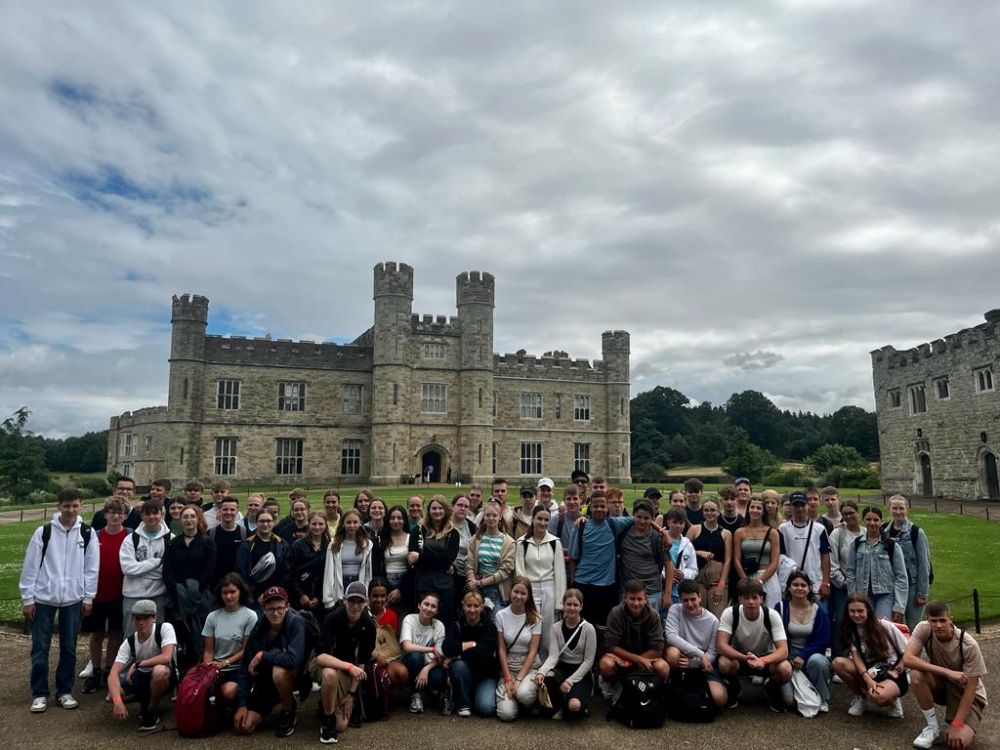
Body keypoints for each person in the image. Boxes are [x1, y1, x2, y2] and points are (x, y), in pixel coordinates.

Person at [20, 487, 100, 713]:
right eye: (66, 506)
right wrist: (28, 598)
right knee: (40, 647)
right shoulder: (43, 532)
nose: (71, 510)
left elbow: (91, 568)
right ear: (59, 506)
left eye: (75, 505)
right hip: (44, 597)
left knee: (69, 647)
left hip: (73, 599)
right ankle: (39, 693)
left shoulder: (87, 532)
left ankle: (65, 691)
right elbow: (30, 567)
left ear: (81, 505)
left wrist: (89, 597)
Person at [904, 600, 989, 749]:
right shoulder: (923, 629)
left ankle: (956, 721)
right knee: (916, 674)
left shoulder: (968, 644)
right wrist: (947, 672)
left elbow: (970, 690)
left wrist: (957, 725)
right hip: (942, 683)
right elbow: (907, 659)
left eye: (942, 620)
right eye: (933, 621)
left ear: (951, 619)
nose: (938, 625)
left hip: (965, 692)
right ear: (927, 620)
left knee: (958, 743)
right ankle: (933, 728)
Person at [234, 586, 307, 738]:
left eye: (280, 608)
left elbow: (294, 659)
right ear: (263, 609)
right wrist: (242, 704)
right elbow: (245, 665)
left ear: (287, 607)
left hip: (292, 677)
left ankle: (289, 710)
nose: (275, 613)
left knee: (279, 672)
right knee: (244, 727)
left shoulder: (296, 622)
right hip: (265, 681)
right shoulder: (259, 627)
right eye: (270, 608)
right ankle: (274, 701)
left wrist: (262, 655)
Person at [311, 581, 376, 744]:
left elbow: (362, 663)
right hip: (326, 664)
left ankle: (328, 706)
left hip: (350, 670)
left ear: (366, 602)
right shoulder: (332, 618)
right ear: (345, 599)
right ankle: (327, 721)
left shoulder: (368, 625)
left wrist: (351, 695)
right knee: (330, 673)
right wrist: (348, 666)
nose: (355, 606)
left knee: (342, 726)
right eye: (352, 601)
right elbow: (320, 657)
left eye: (359, 601)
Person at [716, 577, 792, 713]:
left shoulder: (772, 615)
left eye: (755, 597)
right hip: (740, 658)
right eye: (746, 597)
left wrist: (762, 660)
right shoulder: (730, 613)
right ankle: (735, 687)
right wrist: (745, 658)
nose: (751, 602)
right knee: (723, 663)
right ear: (739, 599)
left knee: (785, 668)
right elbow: (721, 645)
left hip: (766, 660)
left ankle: (770, 687)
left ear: (761, 599)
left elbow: (784, 650)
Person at [832, 592, 908, 720]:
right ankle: (861, 698)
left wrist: (897, 670)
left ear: (868, 610)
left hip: (892, 671)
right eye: (852, 611)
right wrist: (867, 679)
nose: (856, 615)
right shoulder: (851, 630)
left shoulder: (884, 625)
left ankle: (893, 701)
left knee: (879, 697)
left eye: (860, 611)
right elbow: (856, 657)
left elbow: (908, 651)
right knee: (837, 663)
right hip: (870, 670)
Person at [81, 497, 128, 695]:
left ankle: (110, 670)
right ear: (105, 514)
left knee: (116, 634)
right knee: (97, 634)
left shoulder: (130, 535)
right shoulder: (94, 536)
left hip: (120, 594)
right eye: (112, 512)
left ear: (125, 516)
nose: (116, 516)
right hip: (97, 594)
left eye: (120, 512)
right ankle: (96, 672)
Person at [107, 599, 177, 731]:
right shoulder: (129, 641)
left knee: (159, 671)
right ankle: (144, 699)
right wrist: (117, 701)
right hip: (142, 677)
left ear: (154, 617)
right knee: (112, 694)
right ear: (133, 620)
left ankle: (151, 710)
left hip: (165, 675)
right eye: (137, 618)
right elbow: (113, 674)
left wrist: (139, 664)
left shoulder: (165, 628)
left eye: (146, 618)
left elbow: (166, 656)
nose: (141, 622)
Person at [162, 504, 215, 670]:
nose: (189, 520)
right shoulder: (172, 544)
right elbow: (167, 570)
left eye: (192, 516)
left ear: (198, 519)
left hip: (200, 597)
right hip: (178, 599)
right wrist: (177, 591)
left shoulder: (207, 543)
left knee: (201, 634)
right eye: (185, 517)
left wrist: (195, 590)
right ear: (181, 520)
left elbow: (209, 569)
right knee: (181, 637)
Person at [569, 491, 633, 628]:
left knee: (604, 627)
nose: (599, 509)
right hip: (583, 584)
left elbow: (639, 518)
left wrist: (662, 531)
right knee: (582, 626)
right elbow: (573, 557)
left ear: (607, 507)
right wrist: (573, 583)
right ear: (590, 507)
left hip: (606, 586)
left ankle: (601, 650)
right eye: (595, 506)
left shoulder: (614, 524)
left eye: (602, 506)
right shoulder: (581, 527)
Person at [774, 571, 832, 714]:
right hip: (787, 659)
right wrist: (787, 657)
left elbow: (823, 640)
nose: (799, 588)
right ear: (789, 588)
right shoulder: (780, 608)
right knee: (790, 702)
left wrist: (804, 655)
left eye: (803, 585)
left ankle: (823, 698)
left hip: (810, 657)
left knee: (818, 661)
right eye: (795, 585)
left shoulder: (820, 611)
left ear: (809, 588)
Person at [664, 580, 728, 708]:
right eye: (685, 600)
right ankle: (671, 682)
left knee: (719, 698)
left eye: (693, 599)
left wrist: (694, 662)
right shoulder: (675, 609)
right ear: (680, 600)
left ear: (700, 596)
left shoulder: (713, 621)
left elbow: (712, 654)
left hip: (701, 664)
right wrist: (699, 654)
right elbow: (671, 636)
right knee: (672, 653)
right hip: (681, 658)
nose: (690, 604)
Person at [535, 588, 596, 720]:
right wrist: (541, 671)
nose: (572, 608)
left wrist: (570, 681)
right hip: (562, 668)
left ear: (581, 606)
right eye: (569, 604)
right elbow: (553, 656)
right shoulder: (556, 627)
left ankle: (574, 704)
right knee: (547, 679)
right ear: (563, 605)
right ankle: (560, 703)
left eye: (575, 605)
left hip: (580, 672)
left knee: (574, 707)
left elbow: (588, 661)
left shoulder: (588, 629)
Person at [514, 503, 567, 654]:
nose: (542, 523)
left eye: (546, 520)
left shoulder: (554, 542)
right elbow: (520, 572)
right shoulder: (522, 543)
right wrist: (523, 595)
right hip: (530, 589)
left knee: (549, 629)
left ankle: (548, 664)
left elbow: (560, 574)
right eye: (539, 519)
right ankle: (531, 661)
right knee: (531, 626)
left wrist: (559, 601)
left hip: (549, 588)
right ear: (533, 519)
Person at [600, 581, 670, 693]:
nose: (636, 603)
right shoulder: (616, 613)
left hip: (646, 656)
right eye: (632, 599)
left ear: (645, 598)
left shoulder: (653, 615)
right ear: (625, 598)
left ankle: (654, 693)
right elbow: (610, 645)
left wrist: (635, 661)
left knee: (663, 668)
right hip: (621, 655)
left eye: (639, 599)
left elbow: (658, 649)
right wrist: (637, 660)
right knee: (606, 665)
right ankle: (614, 686)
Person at [202, 573, 258, 711]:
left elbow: (246, 650)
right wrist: (208, 669)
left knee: (229, 691)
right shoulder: (212, 617)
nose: (228, 596)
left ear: (240, 592)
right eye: (225, 592)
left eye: (232, 592)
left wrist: (225, 663)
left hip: (238, 667)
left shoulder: (250, 616)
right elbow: (209, 650)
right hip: (216, 666)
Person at [844, 505, 908, 621]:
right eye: (868, 519)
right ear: (863, 521)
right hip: (863, 595)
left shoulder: (891, 545)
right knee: (864, 627)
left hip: (885, 595)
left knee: (882, 626)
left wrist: (899, 606)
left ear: (881, 521)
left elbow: (901, 576)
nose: (872, 523)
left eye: (876, 520)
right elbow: (850, 573)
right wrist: (853, 596)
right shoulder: (857, 544)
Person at [119, 499, 172, 635]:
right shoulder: (131, 539)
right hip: (133, 595)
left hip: (158, 596)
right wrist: (156, 562)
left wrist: (141, 569)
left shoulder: (170, 539)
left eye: (155, 513)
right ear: (142, 516)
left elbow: (168, 571)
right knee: (131, 637)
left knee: (157, 638)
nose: (152, 517)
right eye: (148, 514)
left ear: (162, 514)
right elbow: (128, 569)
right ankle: (131, 657)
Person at [443, 591, 499, 717]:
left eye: (476, 606)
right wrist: (472, 645)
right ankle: (464, 704)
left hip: (485, 674)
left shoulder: (489, 627)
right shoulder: (456, 625)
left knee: (485, 708)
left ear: (482, 607)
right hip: (464, 672)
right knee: (458, 666)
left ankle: (474, 694)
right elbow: (447, 648)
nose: (472, 610)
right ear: (463, 606)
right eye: (469, 606)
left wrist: (458, 655)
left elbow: (484, 653)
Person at [495, 576, 543, 721]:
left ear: (528, 597)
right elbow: (501, 650)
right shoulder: (501, 615)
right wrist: (509, 679)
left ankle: (527, 701)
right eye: (516, 591)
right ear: (510, 592)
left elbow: (533, 651)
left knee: (524, 694)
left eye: (523, 593)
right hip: (508, 666)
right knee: (506, 714)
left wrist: (519, 679)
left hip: (528, 667)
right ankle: (515, 702)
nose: (519, 596)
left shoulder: (536, 617)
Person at [883, 494, 933, 630]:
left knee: (913, 628)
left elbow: (924, 564)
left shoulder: (916, 532)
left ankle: (913, 652)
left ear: (907, 509)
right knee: (893, 627)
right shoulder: (883, 531)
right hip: (891, 584)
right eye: (894, 508)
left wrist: (922, 593)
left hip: (912, 586)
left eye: (901, 508)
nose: (898, 512)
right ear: (889, 508)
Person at [408, 495, 460, 618]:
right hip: (423, 584)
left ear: (446, 511)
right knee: (424, 619)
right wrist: (438, 559)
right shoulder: (418, 530)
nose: (437, 511)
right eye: (434, 508)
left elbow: (448, 559)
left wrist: (421, 557)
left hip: (445, 585)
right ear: (429, 511)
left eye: (440, 508)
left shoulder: (453, 533)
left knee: (444, 621)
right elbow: (412, 558)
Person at [400, 591, 448, 714]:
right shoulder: (409, 619)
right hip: (410, 662)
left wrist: (426, 669)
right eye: (426, 604)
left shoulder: (439, 626)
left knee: (439, 676)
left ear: (437, 610)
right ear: (419, 605)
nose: (429, 608)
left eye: (433, 606)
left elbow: (440, 656)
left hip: (430, 664)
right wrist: (431, 649)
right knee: (416, 657)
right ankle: (415, 694)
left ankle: (436, 694)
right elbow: (407, 646)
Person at [778, 491, 831, 601]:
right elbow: (780, 557)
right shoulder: (782, 529)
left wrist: (826, 582)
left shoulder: (819, 529)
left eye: (802, 505)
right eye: (796, 505)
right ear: (791, 507)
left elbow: (825, 556)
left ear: (807, 506)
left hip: (815, 583)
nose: (800, 509)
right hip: (791, 583)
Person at [466, 500, 516, 610]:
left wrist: (480, 583)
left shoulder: (509, 543)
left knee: (494, 620)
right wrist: (472, 583)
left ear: (500, 517)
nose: (491, 518)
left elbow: (504, 572)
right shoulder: (475, 539)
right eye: (488, 515)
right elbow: (469, 565)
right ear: (484, 517)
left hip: (497, 589)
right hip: (476, 587)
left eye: (494, 515)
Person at [687, 499, 732, 618]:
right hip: (698, 580)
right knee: (697, 616)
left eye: (712, 510)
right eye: (706, 510)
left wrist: (721, 585)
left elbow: (728, 560)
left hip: (717, 580)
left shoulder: (726, 533)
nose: (709, 513)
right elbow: (683, 552)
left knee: (718, 617)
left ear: (718, 512)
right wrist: (698, 552)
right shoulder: (694, 530)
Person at [617, 500, 666, 611]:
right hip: (627, 590)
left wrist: (667, 593)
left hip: (651, 591)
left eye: (646, 518)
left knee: (650, 625)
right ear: (633, 516)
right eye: (639, 517)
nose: (642, 521)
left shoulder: (657, 537)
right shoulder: (624, 532)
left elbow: (668, 563)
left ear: (653, 519)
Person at [323, 509, 373, 609]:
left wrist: (367, 592)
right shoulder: (334, 544)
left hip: (358, 583)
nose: (352, 525)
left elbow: (368, 572)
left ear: (360, 523)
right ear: (343, 524)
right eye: (348, 522)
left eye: (355, 522)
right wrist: (328, 599)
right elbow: (329, 572)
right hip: (341, 583)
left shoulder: (367, 544)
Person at [828, 500, 864, 641]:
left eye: (851, 513)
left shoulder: (866, 532)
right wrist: (846, 584)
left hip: (864, 589)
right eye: (845, 514)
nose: (848, 517)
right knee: (843, 622)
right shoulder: (837, 534)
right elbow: (833, 563)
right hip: (843, 589)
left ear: (857, 513)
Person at [236, 510, 288, 607]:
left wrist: (277, 592)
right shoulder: (247, 545)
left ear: (274, 522)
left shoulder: (282, 544)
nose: (265, 524)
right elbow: (242, 574)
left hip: (276, 595)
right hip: (254, 599)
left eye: (268, 521)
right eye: (261, 521)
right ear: (256, 522)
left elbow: (286, 572)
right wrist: (257, 595)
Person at [732, 497, 780, 600]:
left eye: (758, 508)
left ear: (763, 512)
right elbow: (736, 559)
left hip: (767, 576)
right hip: (747, 576)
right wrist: (745, 581)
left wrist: (760, 581)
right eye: (752, 507)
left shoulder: (772, 533)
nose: (754, 510)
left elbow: (775, 562)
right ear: (748, 509)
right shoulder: (739, 532)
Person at [285, 511, 330, 619]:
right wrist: (300, 595)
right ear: (308, 525)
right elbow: (289, 573)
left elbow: (329, 575)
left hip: (322, 598)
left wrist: (320, 597)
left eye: (321, 524)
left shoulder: (330, 546)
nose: (317, 527)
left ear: (325, 525)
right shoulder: (298, 545)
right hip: (300, 597)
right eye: (314, 524)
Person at [367, 579, 409, 688]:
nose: (379, 599)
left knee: (402, 673)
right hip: (368, 658)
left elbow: (391, 641)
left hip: (389, 657)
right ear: (369, 596)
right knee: (385, 675)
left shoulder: (391, 616)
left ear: (387, 597)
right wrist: (376, 657)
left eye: (383, 596)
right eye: (375, 596)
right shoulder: (364, 615)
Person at [662, 508, 698, 606]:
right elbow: (654, 563)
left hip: (680, 591)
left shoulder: (688, 545)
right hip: (662, 589)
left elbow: (694, 569)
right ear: (668, 522)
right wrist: (665, 576)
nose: (678, 526)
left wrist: (683, 574)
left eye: (681, 523)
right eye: (675, 522)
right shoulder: (660, 540)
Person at [208, 495, 247, 586]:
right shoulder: (210, 534)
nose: (228, 512)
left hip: (238, 585)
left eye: (232, 510)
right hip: (216, 585)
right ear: (220, 511)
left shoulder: (245, 534)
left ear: (237, 512)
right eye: (225, 509)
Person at [380, 505, 411, 609]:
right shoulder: (382, 539)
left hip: (405, 583)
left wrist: (400, 589)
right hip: (386, 583)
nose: (396, 521)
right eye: (392, 518)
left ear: (405, 520)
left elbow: (414, 568)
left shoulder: (411, 538)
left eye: (399, 518)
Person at [450, 493, 477, 610]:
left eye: (466, 506)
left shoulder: (471, 526)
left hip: (466, 573)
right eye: (459, 505)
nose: (462, 508)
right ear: (452, 506)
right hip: (450, 574)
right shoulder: (445, 525)